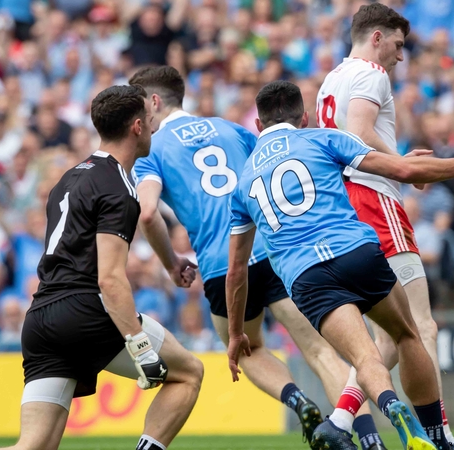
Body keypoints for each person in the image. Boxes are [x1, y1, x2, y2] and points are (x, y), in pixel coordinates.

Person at [227, 80, 454, 450]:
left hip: (306, 276)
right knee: (407, 334)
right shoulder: (322, 137)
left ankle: (395, 410)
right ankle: (439, 438)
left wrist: (236, 333)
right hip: (356, 252)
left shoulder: (243, 180)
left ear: (258, 127)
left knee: (365, 357)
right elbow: (403, 172)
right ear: (305, 116)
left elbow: (236, 272)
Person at [129, 65, 386, 448]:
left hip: (221, 263)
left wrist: (171, 264)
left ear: (152, 102)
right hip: (274, 251)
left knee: (247, 349)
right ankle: (369, 440)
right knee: (319, 350)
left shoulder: (152, 152)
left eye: (139, 109)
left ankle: (298, 401)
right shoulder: (230, 128)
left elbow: (147, 212)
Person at [0, 85, 204, 450]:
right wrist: (139, 347)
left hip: (41, 317)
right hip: (84, 311)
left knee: (32, 446)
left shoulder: (69, 178)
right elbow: (109, 278)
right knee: (188, 373)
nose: (154, 127)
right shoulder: (119, 187)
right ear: (137, 127)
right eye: (150, 121)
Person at [315, 5, 454, 446]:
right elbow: (360, 133)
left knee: (391, 335)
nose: (401, 56)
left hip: (343, 207)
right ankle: (442, 437)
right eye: (398, 45)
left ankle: (340, 420)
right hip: (375, 202)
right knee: (421, 326)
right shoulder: (370, 74)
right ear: (377, 37)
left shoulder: (332, 79)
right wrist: (403, 166)